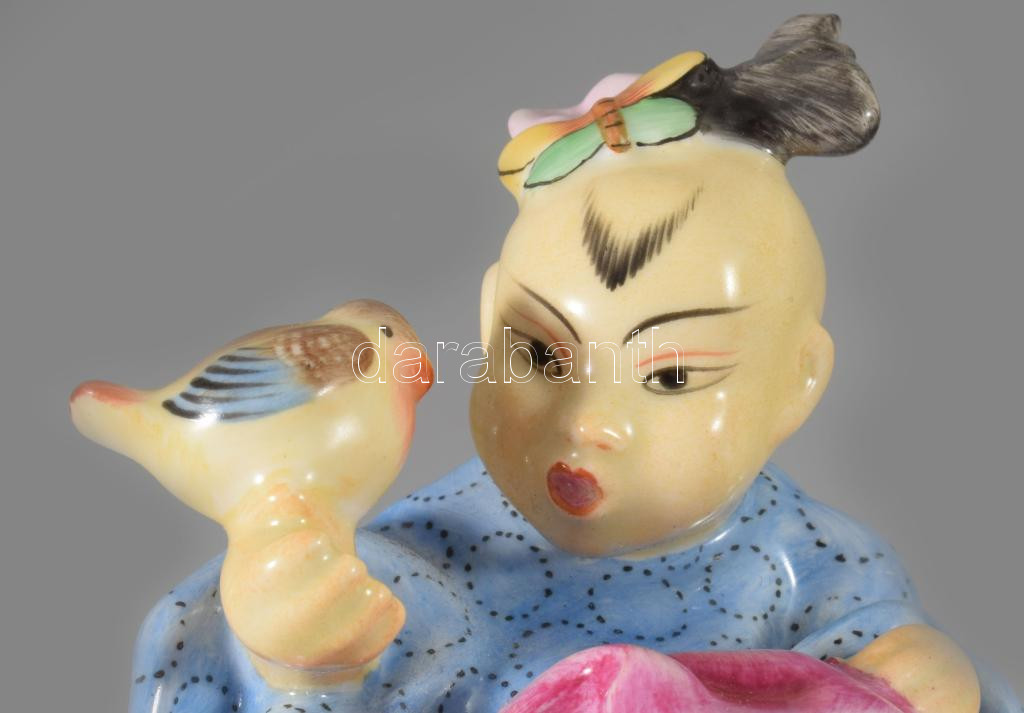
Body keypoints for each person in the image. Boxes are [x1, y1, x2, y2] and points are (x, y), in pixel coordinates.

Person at [127, 15, 1019, 713]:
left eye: (671, 376)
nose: (586, 420)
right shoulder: (414, 566)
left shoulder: (816, 572)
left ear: (797, 381)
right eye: (539, 354)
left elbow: (892, 669)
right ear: (488, 323)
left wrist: (930, 677)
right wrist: (300, 665)